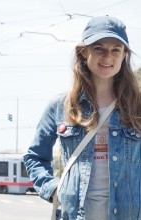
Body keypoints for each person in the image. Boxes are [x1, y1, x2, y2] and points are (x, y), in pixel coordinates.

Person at [23, 15, 141, 220]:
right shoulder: (60, 106)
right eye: (99, 48)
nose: (107, 57)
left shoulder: (136, 107)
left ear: (124, 55)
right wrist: (53, 189)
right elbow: (34, 157)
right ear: (83, 51)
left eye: (115, 50)